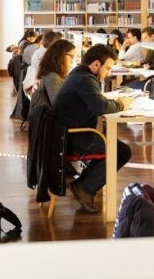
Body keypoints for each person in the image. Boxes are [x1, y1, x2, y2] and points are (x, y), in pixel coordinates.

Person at [53, 44, 134, 213]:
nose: (109, 73)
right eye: (108, 68)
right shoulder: (85, 79)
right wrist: (121, 104)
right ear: (96, 64)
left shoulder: (79, 74)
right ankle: (84, 187)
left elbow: (97, 102)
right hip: (72, 137)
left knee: (113, 146)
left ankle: (84, 184)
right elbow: (101, 108)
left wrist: (108, 102)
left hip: (66, 133)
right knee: (121, 151)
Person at [27, 38, 75, 124]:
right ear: (61, 56)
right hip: (49, 128)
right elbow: (59, 107)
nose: (72, 60)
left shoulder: (50, 73)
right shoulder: (53, 78)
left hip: (45, 124)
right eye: (71, 56)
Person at [22, 30, 61, 94]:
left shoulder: (40, 50)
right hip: (40, 87)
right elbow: (52, 73)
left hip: (37, 84)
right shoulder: (45, 54)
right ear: (53, 43)